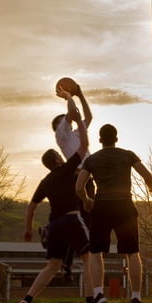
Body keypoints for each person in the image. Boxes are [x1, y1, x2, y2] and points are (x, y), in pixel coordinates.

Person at [16, 94, 95, 303]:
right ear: (59, 159)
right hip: (71, 219)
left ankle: (26, 300)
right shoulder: (68, 169)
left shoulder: (45, 181)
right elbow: (86, 145)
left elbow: (31, 206)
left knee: (52, 266)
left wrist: (27, 230)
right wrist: (78, 118)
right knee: (88, 259)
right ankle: (90, 301)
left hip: (54, 225)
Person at [76, 123, 152, 303]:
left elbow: (79, 187)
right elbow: (146, 174)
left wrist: (87, 200)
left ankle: (97, 294)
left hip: (102, 206)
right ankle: (136, 299)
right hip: (124, 205)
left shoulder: (92, 160)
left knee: (96, 252)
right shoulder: (127, 155)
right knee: (132, 252)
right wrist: (151, 186)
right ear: (116, 139)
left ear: (100, 140)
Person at [52, 82, 95, 281]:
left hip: (88, 178)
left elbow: (88, 116)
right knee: (80, 220)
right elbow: (71, 113)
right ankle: (70, 260)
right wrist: (69, 97)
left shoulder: (77, 133)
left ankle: (70, 260)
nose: (70, 119)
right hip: (76, 178)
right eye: (66, 120)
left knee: (87, 219)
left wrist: (81, 94)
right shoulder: (61, 134)